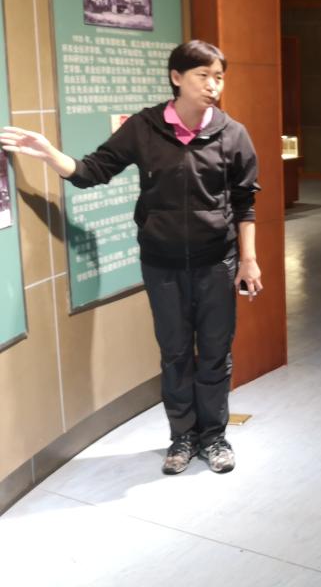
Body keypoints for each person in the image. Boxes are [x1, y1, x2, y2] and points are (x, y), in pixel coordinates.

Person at [1, 40, 261, 476]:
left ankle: (214, 437)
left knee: (216, 352)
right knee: (175, 352)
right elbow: (92, 171)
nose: (213, 86)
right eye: (203, 76)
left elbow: (244, 202)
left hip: (217, 262)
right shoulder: (144, 127)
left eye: (219, 77)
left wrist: (248, 261)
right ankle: (182, 437)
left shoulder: (232, 133)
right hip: (162, 263)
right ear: (176, 77)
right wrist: (48, 152)